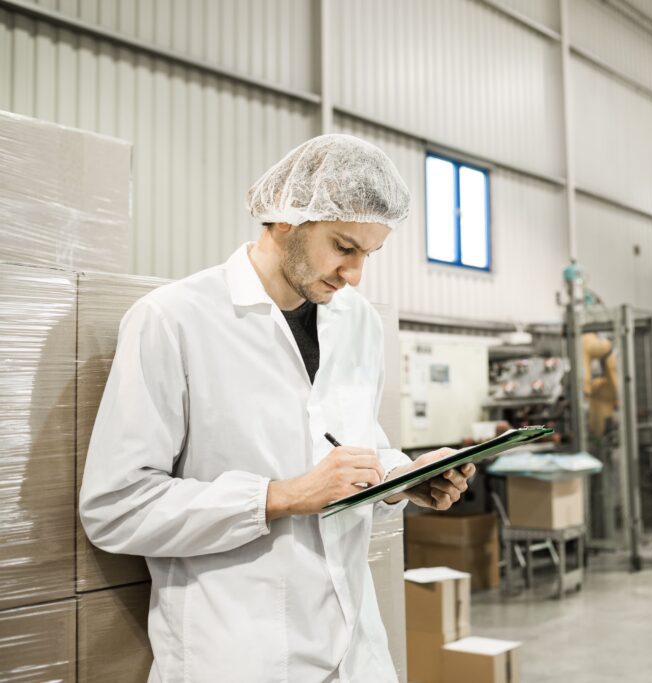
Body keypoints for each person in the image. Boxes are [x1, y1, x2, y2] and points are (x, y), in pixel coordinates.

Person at [79, 134, 475, 682]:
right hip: (240, 657)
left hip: (354, 656)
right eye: (343, 247)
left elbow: (347, 445)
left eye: (368, 254)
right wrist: (281, 497)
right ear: (286, 219)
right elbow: (116, 506)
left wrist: (401, 477)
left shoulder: (357, 321)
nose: (355, 274)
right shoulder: (174, 320)